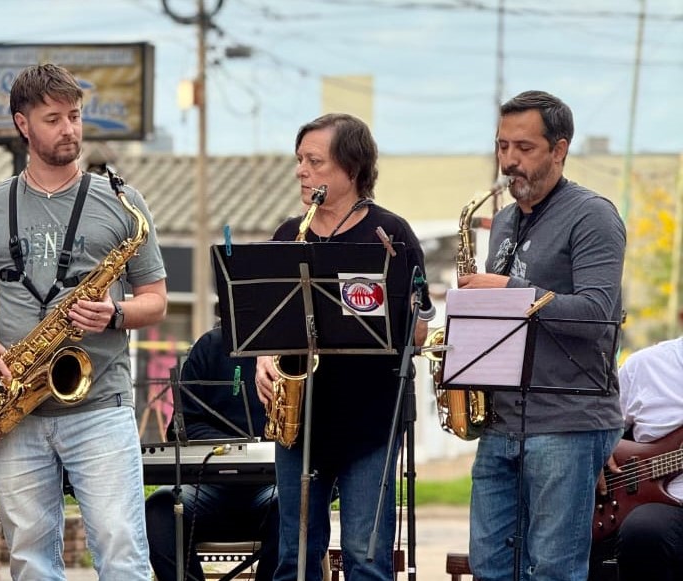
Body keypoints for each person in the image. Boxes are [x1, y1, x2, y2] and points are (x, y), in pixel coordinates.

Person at [0, 63, 167, 579]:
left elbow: (156, 301)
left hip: (100, 405)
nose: (69, 129)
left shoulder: (123, 202)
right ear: (22, 124)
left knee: (121, 550)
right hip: (16, 405)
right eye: (53, 119)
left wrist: (114, 313)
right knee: (29, 558)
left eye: (74, 116)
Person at [254, 113, 430, 581]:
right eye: (299, 160)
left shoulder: (392, 234)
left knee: (365, 559)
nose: (301, 171)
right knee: (294, 557)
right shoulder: (288, 234)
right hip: (300, 420)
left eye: (314, 162)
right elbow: (264, 324)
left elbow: (418, 332)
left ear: (351, 169)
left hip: (370, 422)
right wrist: (263, 359)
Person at [457, 90, 625, 580]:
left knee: (553, 570)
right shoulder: (504, 221)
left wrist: (508, 290)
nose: (509, 160)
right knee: (489, 567)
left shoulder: (592, 215)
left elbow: (597, 312)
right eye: (502, 146)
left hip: (567, 422)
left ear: (559, 149)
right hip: (501, 422)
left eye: (524, 148)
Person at [145, 326, 280, 581]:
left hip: (275, 489)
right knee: (158, 510)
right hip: (207, 488)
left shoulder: (297, 350)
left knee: (295, 509)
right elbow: (184, 426)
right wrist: (242, 449)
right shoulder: (211, 345)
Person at [588, 337, 683, 580]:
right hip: (662, 507)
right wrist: (598, 450)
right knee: (643, 530)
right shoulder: (645, 365)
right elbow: (596, 426)